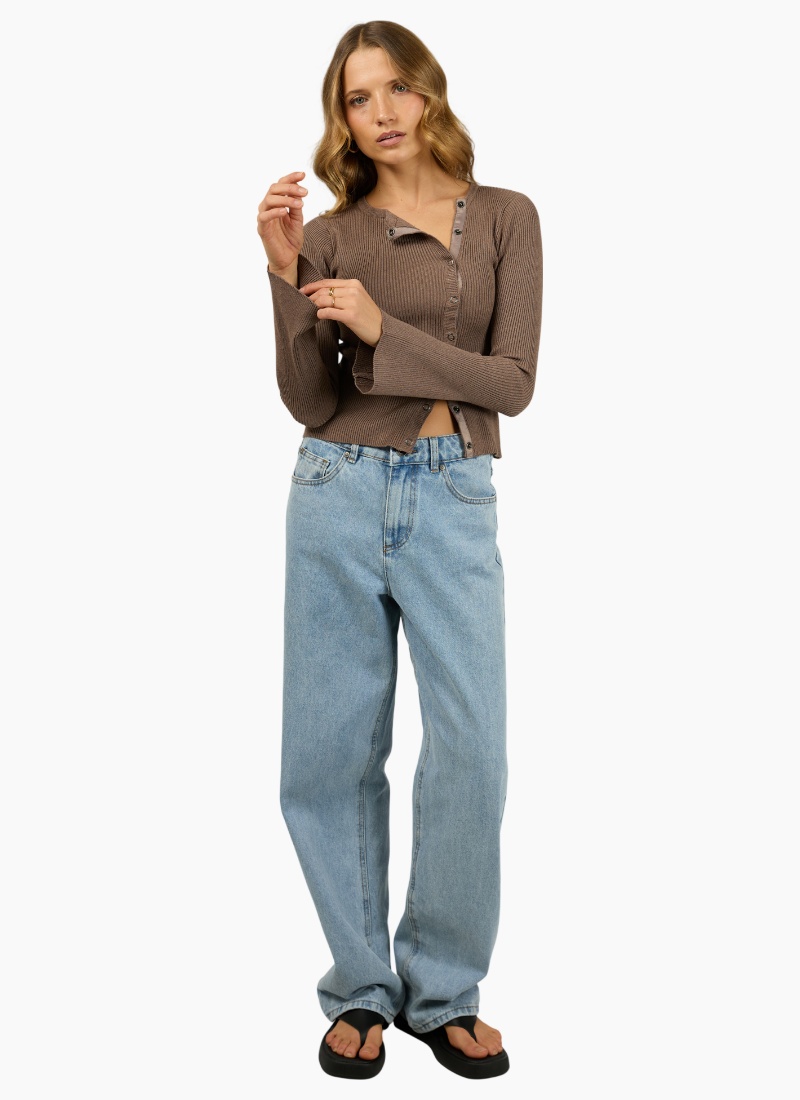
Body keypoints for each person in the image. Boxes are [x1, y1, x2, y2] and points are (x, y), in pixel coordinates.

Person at [256, 20, 542, 1080]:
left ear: (429, 92)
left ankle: (443, 988)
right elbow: (310, 399)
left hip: (453, 488)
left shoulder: (505, 217)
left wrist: (383, 329)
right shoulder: (333, 234)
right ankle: (361, 988)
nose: (377, 113)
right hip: (333, 488)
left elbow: (511, 382)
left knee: (473, 750)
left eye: (393, 90)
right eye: (355, 97)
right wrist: (286, 275)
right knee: (328, 753)